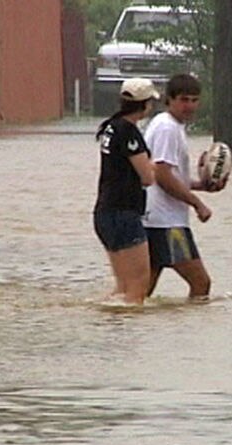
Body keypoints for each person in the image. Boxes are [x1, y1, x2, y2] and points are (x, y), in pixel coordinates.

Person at [143, 73, 226, 300]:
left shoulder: (169, 125)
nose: (189, 106)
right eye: (183, 99)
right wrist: (197, 203)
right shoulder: (167, 129)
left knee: (139, 295)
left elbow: (170, 174)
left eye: (194, 100)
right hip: (167, 223)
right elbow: (161, 174)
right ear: (169, 99)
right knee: (201, 283)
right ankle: (191, 334)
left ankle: (127, 330)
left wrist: (200, 185)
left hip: (154, 219)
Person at [93, 78, 160, 305]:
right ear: (145, 105)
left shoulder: (111, 126)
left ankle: (115, 327)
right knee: (139, 284)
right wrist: (154, 165)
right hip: (124, 214)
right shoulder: (129, 133)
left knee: (122, 287)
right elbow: (147, 178)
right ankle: (131, 333)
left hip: (104, 213)